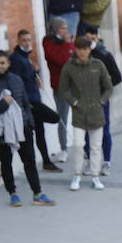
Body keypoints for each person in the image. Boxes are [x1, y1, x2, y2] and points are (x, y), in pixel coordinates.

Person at [0, 51, 56, 208]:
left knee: (29, 161)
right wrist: (4, 104)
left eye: (3, 63)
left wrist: (30, 124)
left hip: (23, 128)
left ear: (8, 64)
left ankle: (38, 193)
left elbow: (25, 103)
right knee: (6, 162)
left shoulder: (16, 79)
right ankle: (12, 193)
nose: (0, 66)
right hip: (3, 131)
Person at [56, 36, 113, 191]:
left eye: (85, 49)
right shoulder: (69, 67)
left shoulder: (98, 64)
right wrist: (73, 102)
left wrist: (102, 101)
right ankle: (77, 175)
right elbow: (63, 89)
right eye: (79, 49)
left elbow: (108, 86)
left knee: (95, 146)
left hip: (96, 111)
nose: (82, 52)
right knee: (79, 145)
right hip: (79, 113)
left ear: (90, 50)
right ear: (75, 49)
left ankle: (95, 176)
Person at [9, 30, 63, 173]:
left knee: (40, 132)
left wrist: (36, 71)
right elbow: (17, 81)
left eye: (29, 40)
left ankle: (46, 161)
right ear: (18, 41)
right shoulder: (16, 59)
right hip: (29, 101)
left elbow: (29, 76)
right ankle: (34, 163)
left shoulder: (27, 57)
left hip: (35, 96)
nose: (27, 43)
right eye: (24, 40)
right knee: (53, 118)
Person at [79, 26, 122, 176]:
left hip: (101, 101)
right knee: (85, 132)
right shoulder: (78, 57)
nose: (89, 42)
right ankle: (90, 161)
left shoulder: (105, 55)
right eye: (86, 39)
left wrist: (104, 90)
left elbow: (117, 77)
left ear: (97, 37)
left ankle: (106, 162)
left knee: (104, 131)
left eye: (92, 38)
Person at [42, 19, 76, 153]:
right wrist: (68, 45)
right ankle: (63, 148)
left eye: (66, 28)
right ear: (55, 29)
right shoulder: (48, 41)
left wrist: (69, 46)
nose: (65, 31)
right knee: (62, 117)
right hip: (60, 85)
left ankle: (85, 146)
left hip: (74, 83)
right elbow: (59, 59)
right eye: (62, 28)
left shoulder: (68, 42)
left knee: (82, 116)